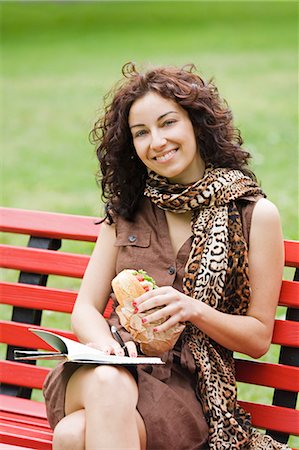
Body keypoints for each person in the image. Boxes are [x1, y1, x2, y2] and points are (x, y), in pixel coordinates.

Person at [43, 62, 286, 450]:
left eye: (168, 123)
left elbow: (258, 337)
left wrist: (192, 309)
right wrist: (105, 347)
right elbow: (85, 308)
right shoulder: (127, 210)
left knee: (73, 436)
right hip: (103, 370)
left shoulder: (254, 215)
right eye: (141, 133)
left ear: (197, 124)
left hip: (181, 391)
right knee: (107, 382)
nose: (156, 141)